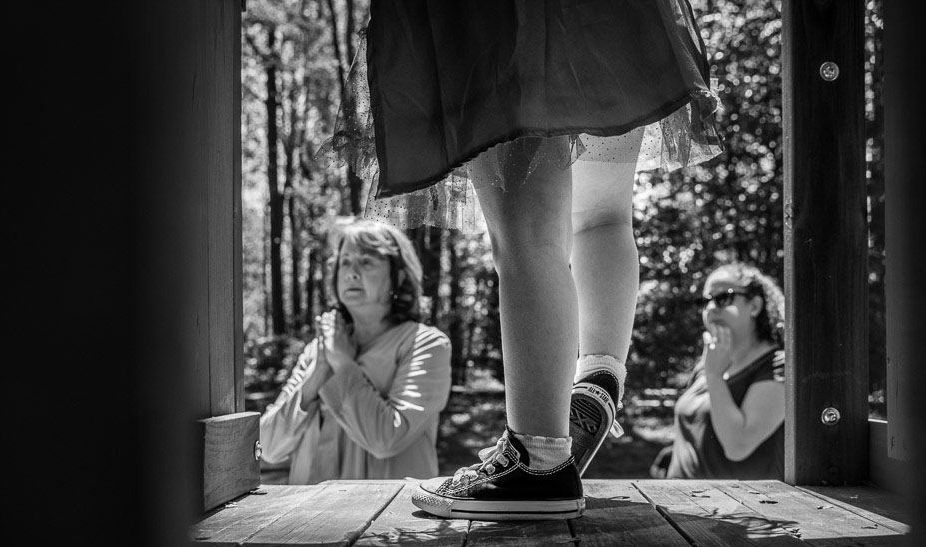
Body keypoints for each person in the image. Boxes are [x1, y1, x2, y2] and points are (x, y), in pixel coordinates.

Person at [325, 1, 722, 519]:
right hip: (612, 18)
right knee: (604, 217)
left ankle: (537, 460)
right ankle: (599, 377)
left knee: (528, 237)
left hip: (496, 18)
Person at [258, 220, 452, 484]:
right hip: (308, 520)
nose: (352, 272)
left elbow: (386, 440)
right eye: (346, 261)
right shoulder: (318, 349)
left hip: (388, 519)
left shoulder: (426, 344)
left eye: (367, 261)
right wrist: (318, 374)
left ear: (400, 276)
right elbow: (268, 447)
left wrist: (343, 364)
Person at [653, 262, 786, 480]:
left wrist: (714, 375)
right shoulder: (706, 364)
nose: (712, 307)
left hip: (740, 509)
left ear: (755, 305)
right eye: (705, 301)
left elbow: (738, 445)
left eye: (723, 297)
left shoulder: (778, 365)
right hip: (680, 507)